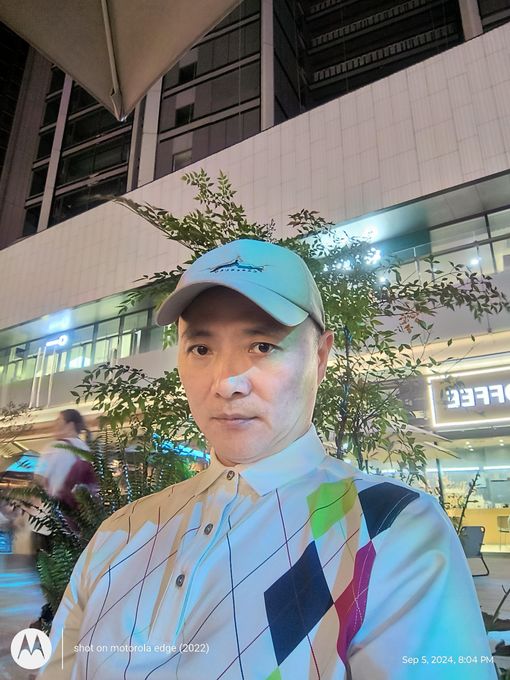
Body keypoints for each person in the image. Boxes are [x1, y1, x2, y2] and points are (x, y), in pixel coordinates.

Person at [38, 240, 495, 679]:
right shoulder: (120, 532)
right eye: (201, 349)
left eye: (262, 346)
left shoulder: (391, 528)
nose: (226, 383)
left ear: (320, 356)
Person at [34, 409, 97, 510]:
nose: (54, 424)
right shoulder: (86, 448)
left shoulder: (53, 447)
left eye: (58, 421)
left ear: (70, 425)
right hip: (84, 511)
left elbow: (38, 477)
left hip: (58, 508)